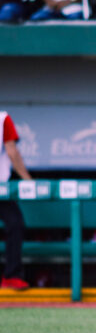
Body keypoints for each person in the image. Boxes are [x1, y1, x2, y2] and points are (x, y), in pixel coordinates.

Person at [0, 110, 32, 290]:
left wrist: (28, 182)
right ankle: (11, 275)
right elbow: (12, 152)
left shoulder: (2, 119)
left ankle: (11, 276)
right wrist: (28, 180)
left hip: (1, 191)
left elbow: (12, 151)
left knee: (15, 224)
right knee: (15, 224)